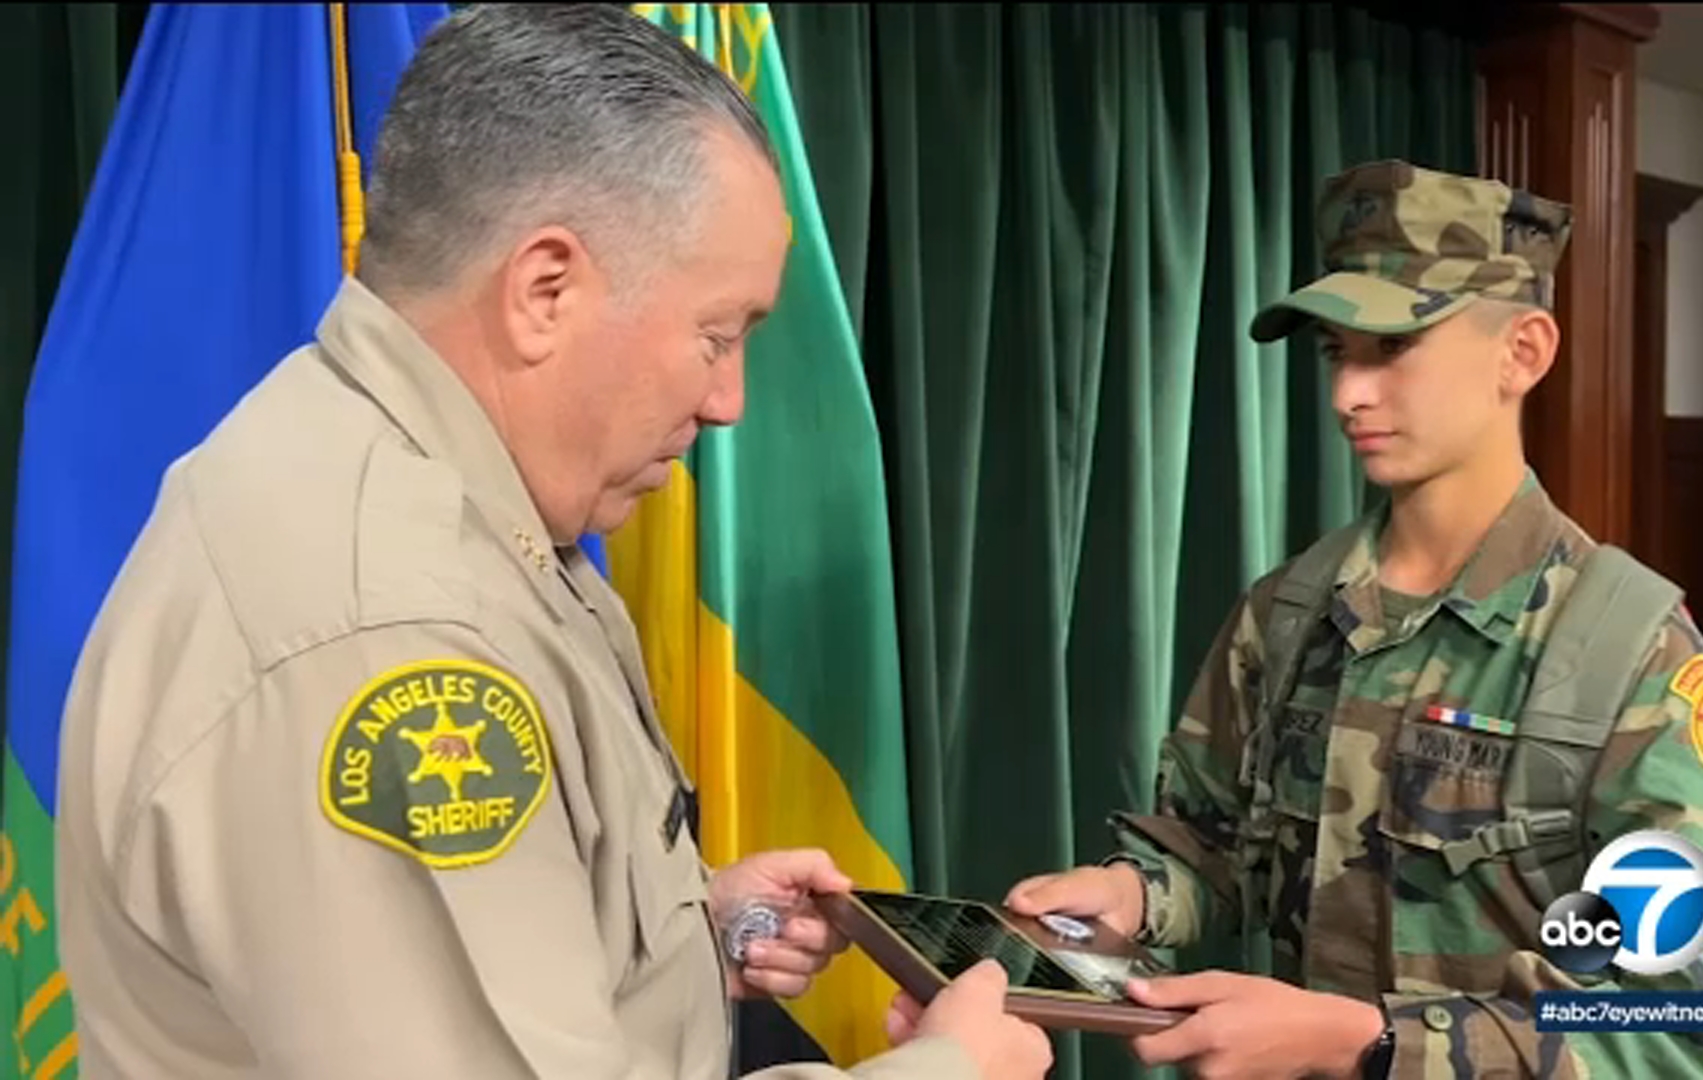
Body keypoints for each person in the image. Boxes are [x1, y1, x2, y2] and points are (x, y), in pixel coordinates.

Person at [54, 6, 1050, 1079]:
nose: (729, 402)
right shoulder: (392, 630)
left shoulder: (418, 484)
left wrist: (679, 942)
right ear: (544, 291)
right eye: (716, 335)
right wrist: (948, 1071)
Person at [1005, 160, 1703, 1078]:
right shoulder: (1290, 611)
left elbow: (1679, 1031)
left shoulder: (1633, 657)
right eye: (1338, 352)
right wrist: (1133, 895)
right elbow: (1219, 844)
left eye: (1393, 348)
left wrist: (1368, 1045)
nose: (1348, 394)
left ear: (1524, 352)